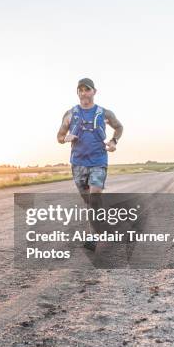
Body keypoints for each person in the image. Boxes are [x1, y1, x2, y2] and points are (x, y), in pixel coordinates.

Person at [57, 78, 124, 251]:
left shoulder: (104, 113)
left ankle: (94, 237)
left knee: (94, 198)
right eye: (80, 90)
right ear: (77, 93)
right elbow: (59, 136)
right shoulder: (70, 114)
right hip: (78, 162)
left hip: (98, 160)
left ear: (94, 91)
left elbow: (119, 127)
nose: (83, 93)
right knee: (89, 201)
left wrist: (114, 141)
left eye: (87, 89)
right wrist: (65, 138)